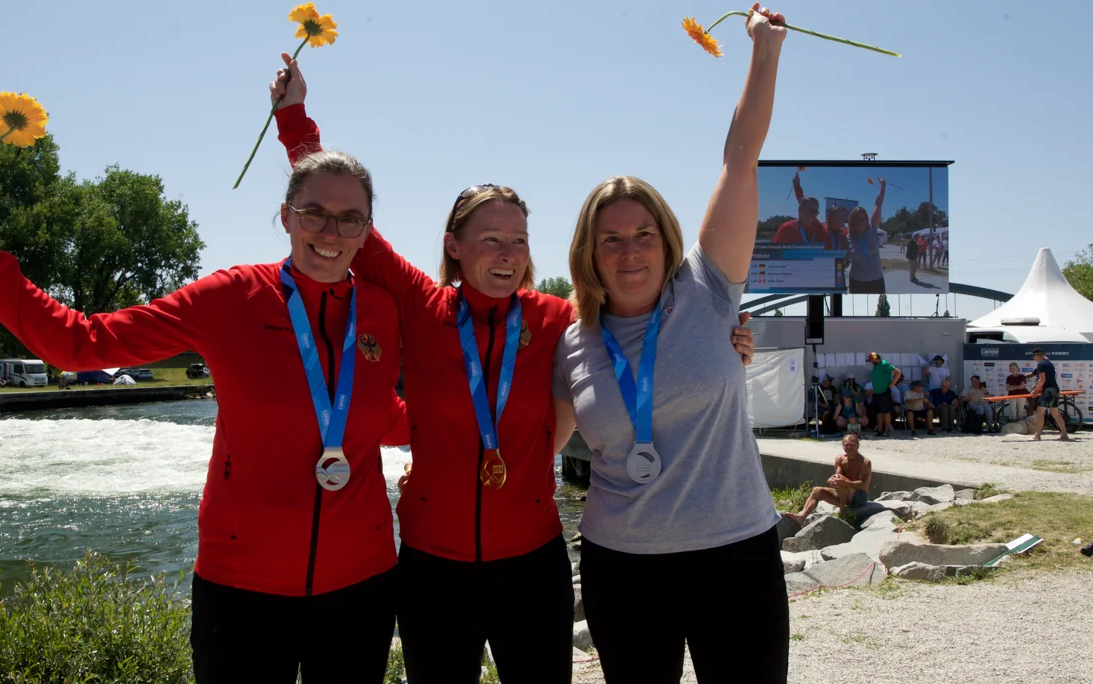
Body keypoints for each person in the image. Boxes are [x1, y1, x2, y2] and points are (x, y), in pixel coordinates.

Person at [269, 48, 761, 684]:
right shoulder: (422, 306)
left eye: (519, 240)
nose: (507, 254)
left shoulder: (559, 317)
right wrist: (295, 122)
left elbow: (646, 324)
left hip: (532, 564)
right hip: (432, 565)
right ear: (453, 245)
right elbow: (346, 220)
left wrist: (732, 333)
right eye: (490, 239)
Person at [0, 156, 411, 683]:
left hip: (360, 588)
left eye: (350, 218)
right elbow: (79, 342)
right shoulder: (231, 297)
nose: (330, 231)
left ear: (367, 231)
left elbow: (380, 415)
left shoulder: (384, 313)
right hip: (241, 590)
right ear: (286, 216)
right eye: (314, 212)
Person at [552, 8, 788, 682]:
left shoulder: (710, 291)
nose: (630, 252)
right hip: (620, 568)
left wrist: (763, 53)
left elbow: (739, 162)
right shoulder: (572, 342)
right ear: (588, 254)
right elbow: (535, 444)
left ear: (669, 238)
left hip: (736, 554)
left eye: (643, 233)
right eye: (611, 238)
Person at [785, 433, 872, 525]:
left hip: (858, 497)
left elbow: (863, 484)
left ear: (858, 446)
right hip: (842, 495)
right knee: (817, 490)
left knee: (844, 484)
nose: (849, 448)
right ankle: (802, 516)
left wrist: (847, 483)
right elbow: (838, 477)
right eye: (846, 445)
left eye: (852, 445)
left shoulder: (865, 462)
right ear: (842, 446)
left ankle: (843, 510)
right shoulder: (840, 459)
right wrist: (831, 481)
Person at [846, 179, 887, 293]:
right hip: (857, 282)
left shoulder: (872, 228)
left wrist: (883, 185)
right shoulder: (848, 237)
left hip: (876, 281)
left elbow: (878, 203)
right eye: (858, 219)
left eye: (863, 218)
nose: (861, 222)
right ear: (852, 221)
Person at [1026, 348, 1070, 441]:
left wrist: (1035, 391)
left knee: (1040, 412)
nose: (1034, 358)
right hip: (1055, 389)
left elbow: (1042, 380)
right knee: (1055, 413)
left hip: (1048, 390)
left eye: (1034, 356)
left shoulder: (1041, 364)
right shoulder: (1048, 363)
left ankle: (1037, 435)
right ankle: (1064, 434)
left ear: (1038, 355)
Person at [866, 352, 901, 437]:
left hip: (884, 392)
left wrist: (892, 384)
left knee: (886, 412)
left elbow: (898, 372)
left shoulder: (885, 364)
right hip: (876, 392)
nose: (870, 362)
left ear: (875, 358)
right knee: (878, 412)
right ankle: (880, 430)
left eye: (871, 360)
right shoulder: (876, 365)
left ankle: (886, 431)